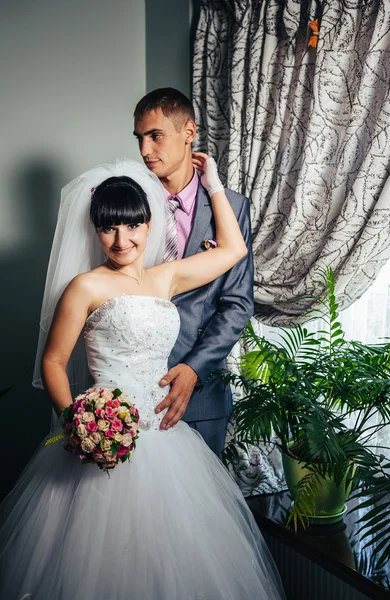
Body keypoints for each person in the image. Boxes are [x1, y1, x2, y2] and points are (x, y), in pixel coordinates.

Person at [0, 156, 285, 599]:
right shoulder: (86, 287)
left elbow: (234, 251)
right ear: (96, 232)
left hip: (166, 437)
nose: (121, 239)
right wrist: (78, 421)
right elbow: (53, 362)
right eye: (109, 228)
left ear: (149, 225)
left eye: (131, 226)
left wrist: (213, 185)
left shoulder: (164, 279)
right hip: (105, 430)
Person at [134, 88, 254, 456]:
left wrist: (194, 369)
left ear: (189, 131)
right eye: (139, 138)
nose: (144, 151)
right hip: (132, 387)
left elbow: (237, 303)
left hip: (201, 398)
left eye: (155, 136)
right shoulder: (128, 203)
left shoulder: (231, 208)